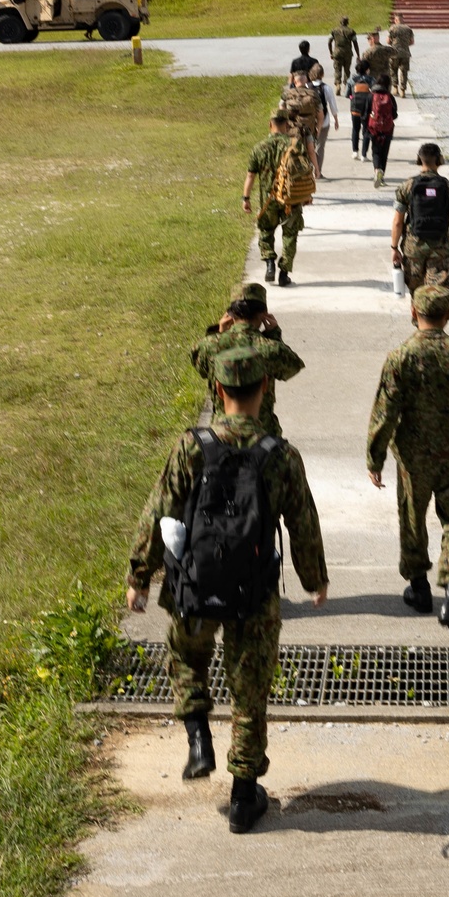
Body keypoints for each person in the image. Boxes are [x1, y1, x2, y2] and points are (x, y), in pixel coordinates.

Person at [126, 346, 329, 834]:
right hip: (253, 592)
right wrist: (315, 579)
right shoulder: (281, 455)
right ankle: (243, 797)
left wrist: (139, 576)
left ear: (218, 390)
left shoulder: (191, 445)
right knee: (249, 686)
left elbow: (160, 511)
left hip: (194, 585)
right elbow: (303, 523)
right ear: (264, 389)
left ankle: (198, 736)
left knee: (187, 655)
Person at [367, 285, 449, 639]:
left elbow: (384, 413)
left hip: (414, 454)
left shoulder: (399, 357)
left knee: (413, 516)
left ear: (413, 314)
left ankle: (418, 588)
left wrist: (375, 456)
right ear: (448, 315)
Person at [191, 281, 304, 437]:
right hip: (262, 436)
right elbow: (292, 367)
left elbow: (202, 368)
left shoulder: (209, 346)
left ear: (230, 314)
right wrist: (274, 335)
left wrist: (217, 334)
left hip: (221, 435)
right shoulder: (270, 348)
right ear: (263, 314)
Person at [243, 111, 315, 287]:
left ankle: (269, 264)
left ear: (270, 124)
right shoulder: (295, 144)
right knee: (290, 235)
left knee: (266, 232)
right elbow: (305, 172)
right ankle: (284, 273)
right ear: (287, 125)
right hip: (291, 199)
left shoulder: (259, 147)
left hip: (268, 199)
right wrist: (307, 195)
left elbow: (251, 175)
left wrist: (245, 198)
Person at [392, 143, 449, 299]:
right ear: (439, 160)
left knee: (417, 293)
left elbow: (398, 222)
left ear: (419, 160)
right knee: (437, 294)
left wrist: (394, 247)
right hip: (440, 247)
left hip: (414, 248)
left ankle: (418, 320)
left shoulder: (407, 186)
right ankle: (434, 321)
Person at [361, 77, 397, 187]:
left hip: (374, 129)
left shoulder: (371, 96)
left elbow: (365, 113)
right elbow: (395, 114)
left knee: (375, 151)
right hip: (387, 129)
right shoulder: (390, 97)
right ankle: (381, 177)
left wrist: (366, 125)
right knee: (384, 153)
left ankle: (376, 171)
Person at [307, 63, 339, 179]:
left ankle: (307, 170)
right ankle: (318, 171)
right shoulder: (326, 88)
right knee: (320, 147)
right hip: (324, 122)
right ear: (322, 74)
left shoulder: (306, 87)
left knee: (308, 146)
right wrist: (336, 119)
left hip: (309, 123)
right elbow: (332, 105)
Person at [346, 59, 373, 161]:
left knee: (355, 129)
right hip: (367, 109)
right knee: (366, 131)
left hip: (355, 108)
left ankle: (355, 151)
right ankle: (364, 155)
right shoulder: (371, 80)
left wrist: (352, 98)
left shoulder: (352, 79)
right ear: (367, 69)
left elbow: (347, 94)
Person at [328, 16, 361, 96]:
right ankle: (346, 86)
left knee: (337, 69)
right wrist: (358, 55)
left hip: (337, 52)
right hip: (347, 53)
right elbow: (355, 43)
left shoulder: (334, 30)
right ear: (347, 22)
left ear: (340, 22)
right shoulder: (351, 31)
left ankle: (338, 84)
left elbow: (329, 42)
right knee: (347, 70)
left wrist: (331, 52)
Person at [387, 18, 415, 97]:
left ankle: (395, 87)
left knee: (393, 70)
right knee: (404, 71)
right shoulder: (408, 29)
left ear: (395, 20)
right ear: (402, 19)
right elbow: (412, 42)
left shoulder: (392, 28)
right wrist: (405, 45)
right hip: (405, 53)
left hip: (394, 53)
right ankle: (403, 90)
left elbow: (388, 41)